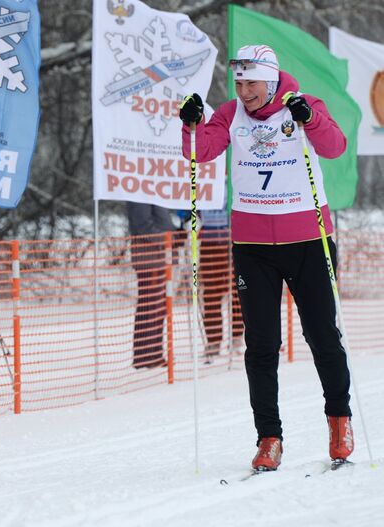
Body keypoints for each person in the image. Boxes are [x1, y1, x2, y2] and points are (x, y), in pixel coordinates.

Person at [179, 45, 353, 471]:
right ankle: (269, 438)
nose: (245, 91)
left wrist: (308, 119)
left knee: (322, 337)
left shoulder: (304, 105)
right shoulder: (229, 114)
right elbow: (200, 152)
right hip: (254, 246)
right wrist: (190, 124)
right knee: (260, 345)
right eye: (238, 83)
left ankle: (339, 422)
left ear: (271, 80)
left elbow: (334, 147)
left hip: (308, 240)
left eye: (252, 83)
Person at [177, 207, 244, 360]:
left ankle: (237, 337)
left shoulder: (232, 183)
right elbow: (186, 206)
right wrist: (184, 212)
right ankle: (213, 341)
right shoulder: (204, 184)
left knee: (238, 292)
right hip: (210, 242)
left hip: (233, 240)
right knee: (211, 294)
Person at [126, 202, 177, 368]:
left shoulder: (156, 193)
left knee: (159, 308)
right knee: (150, 307)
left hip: (161, 257)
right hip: (149, 258)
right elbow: (143, 225)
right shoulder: (140, 195)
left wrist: (178, 233)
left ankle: (154, 353)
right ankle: (145, 356)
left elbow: (161, 222)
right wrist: (169, 239)